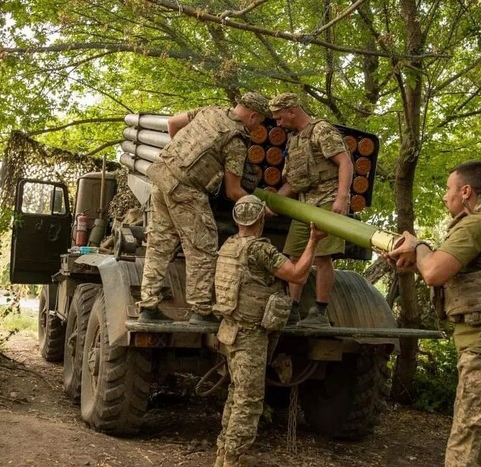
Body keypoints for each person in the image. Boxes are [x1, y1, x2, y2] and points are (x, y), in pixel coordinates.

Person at [383, 161, 481, 466]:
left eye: (448, 190)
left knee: (468, 450)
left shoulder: (477, 225)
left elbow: (436, 270)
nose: (444, 197)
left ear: (466, 192)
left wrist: (419, 245)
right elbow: (462, 274)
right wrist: (416, 262)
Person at [137, 93, 271, 325]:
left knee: (160, 243)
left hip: (162, 176)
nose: (257, 127)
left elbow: (172, 123)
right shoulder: (236, 140)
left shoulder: (211, 111)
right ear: (252, 115)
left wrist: (181, 157)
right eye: (259, 122)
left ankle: (148, 307)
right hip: (186, 190)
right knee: (203, 247)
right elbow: (233, 191)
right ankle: (200, 310)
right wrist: (260, 207)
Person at [213, 195, 326, 467]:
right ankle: (234, 459)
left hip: (230, 328)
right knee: (249, 400)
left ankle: (224, 454)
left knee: (236, 394)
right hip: (250, 333)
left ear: (238, 219)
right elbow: (298, 274)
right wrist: (313, 241)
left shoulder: (229, 245)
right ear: (260, 219)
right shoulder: (259, 250)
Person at [268, 93, 353, 327]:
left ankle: (319, 312)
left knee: (323, 257)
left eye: (279, 117)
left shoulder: (321, 130)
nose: (278, 123)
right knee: (295, 255)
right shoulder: (294, 139)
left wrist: (342, 197)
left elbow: (345, 162)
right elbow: (294, 182)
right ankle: (293, 309)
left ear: (292, 111)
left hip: (327, 201)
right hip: (304, 206)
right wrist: (272, 204)